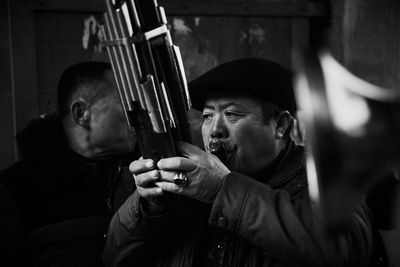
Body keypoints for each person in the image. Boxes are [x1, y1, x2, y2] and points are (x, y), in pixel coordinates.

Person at [103, 58, 373, 267]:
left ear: (280, 125)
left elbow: (345, 252)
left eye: (231, 114)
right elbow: (115, 258)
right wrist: (149, 206)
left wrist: (223, 189)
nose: (214, 130)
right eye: (208, 117)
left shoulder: (325, 178)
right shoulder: (190, 180)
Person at [0, 61, 140, 266]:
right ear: (81, 113)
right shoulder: (16, 191)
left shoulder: (142, 173)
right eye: (124, 101)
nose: (136, 112)